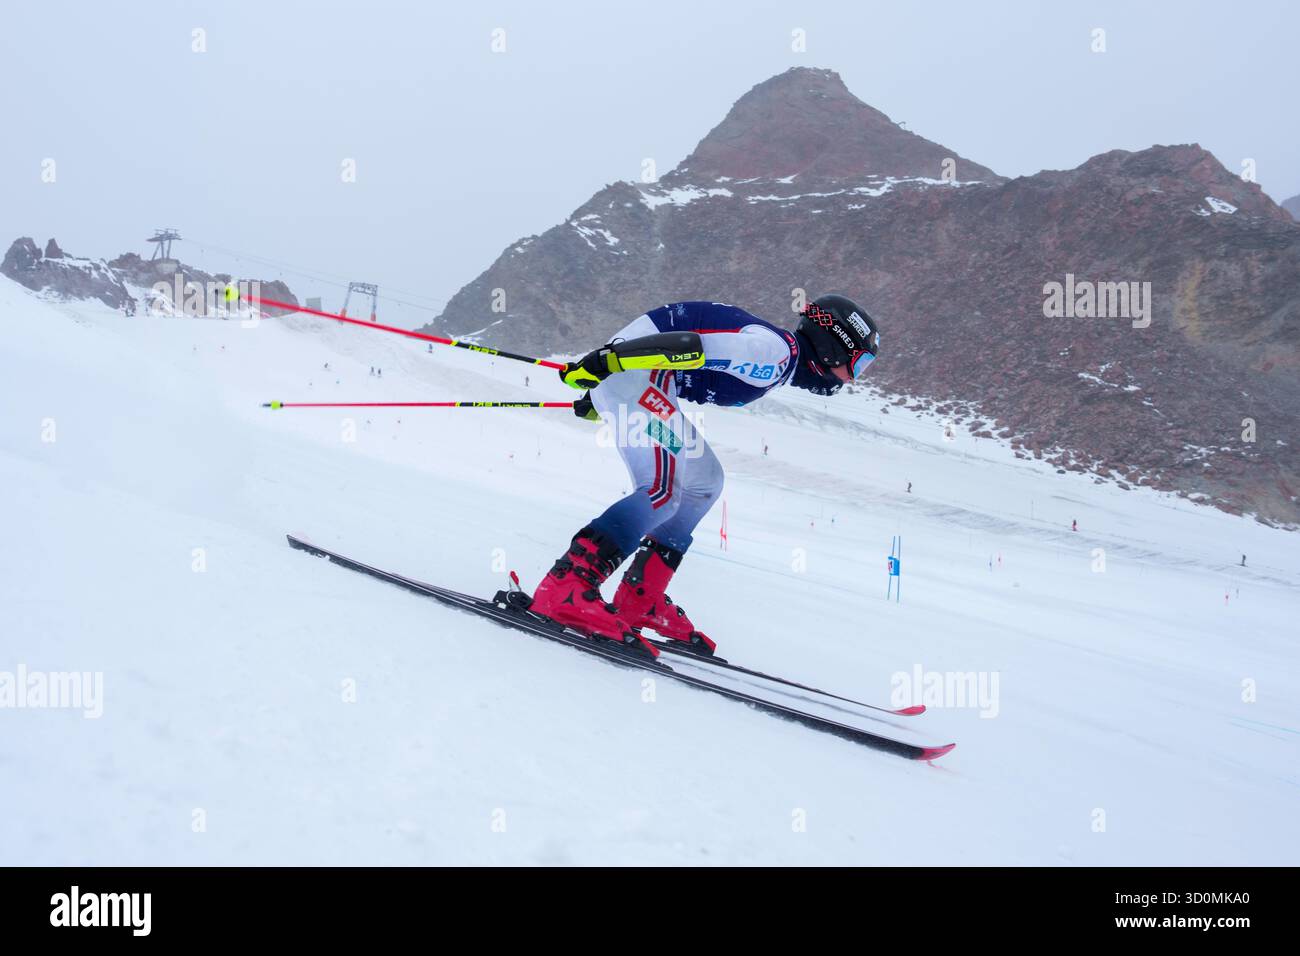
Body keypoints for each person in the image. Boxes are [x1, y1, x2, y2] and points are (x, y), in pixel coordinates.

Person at [524, 295, 880, 656]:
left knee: (704, 482)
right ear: (832, 347)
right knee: (663, 488)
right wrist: (609, 365)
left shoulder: (779, 361)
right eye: (858, 364)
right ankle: (566, 587)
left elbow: (687, 356)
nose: (851, 379)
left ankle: (639, 597)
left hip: (641, 380)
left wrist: (604, 389)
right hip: (635, 375)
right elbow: (690, 346)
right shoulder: (773, 355)